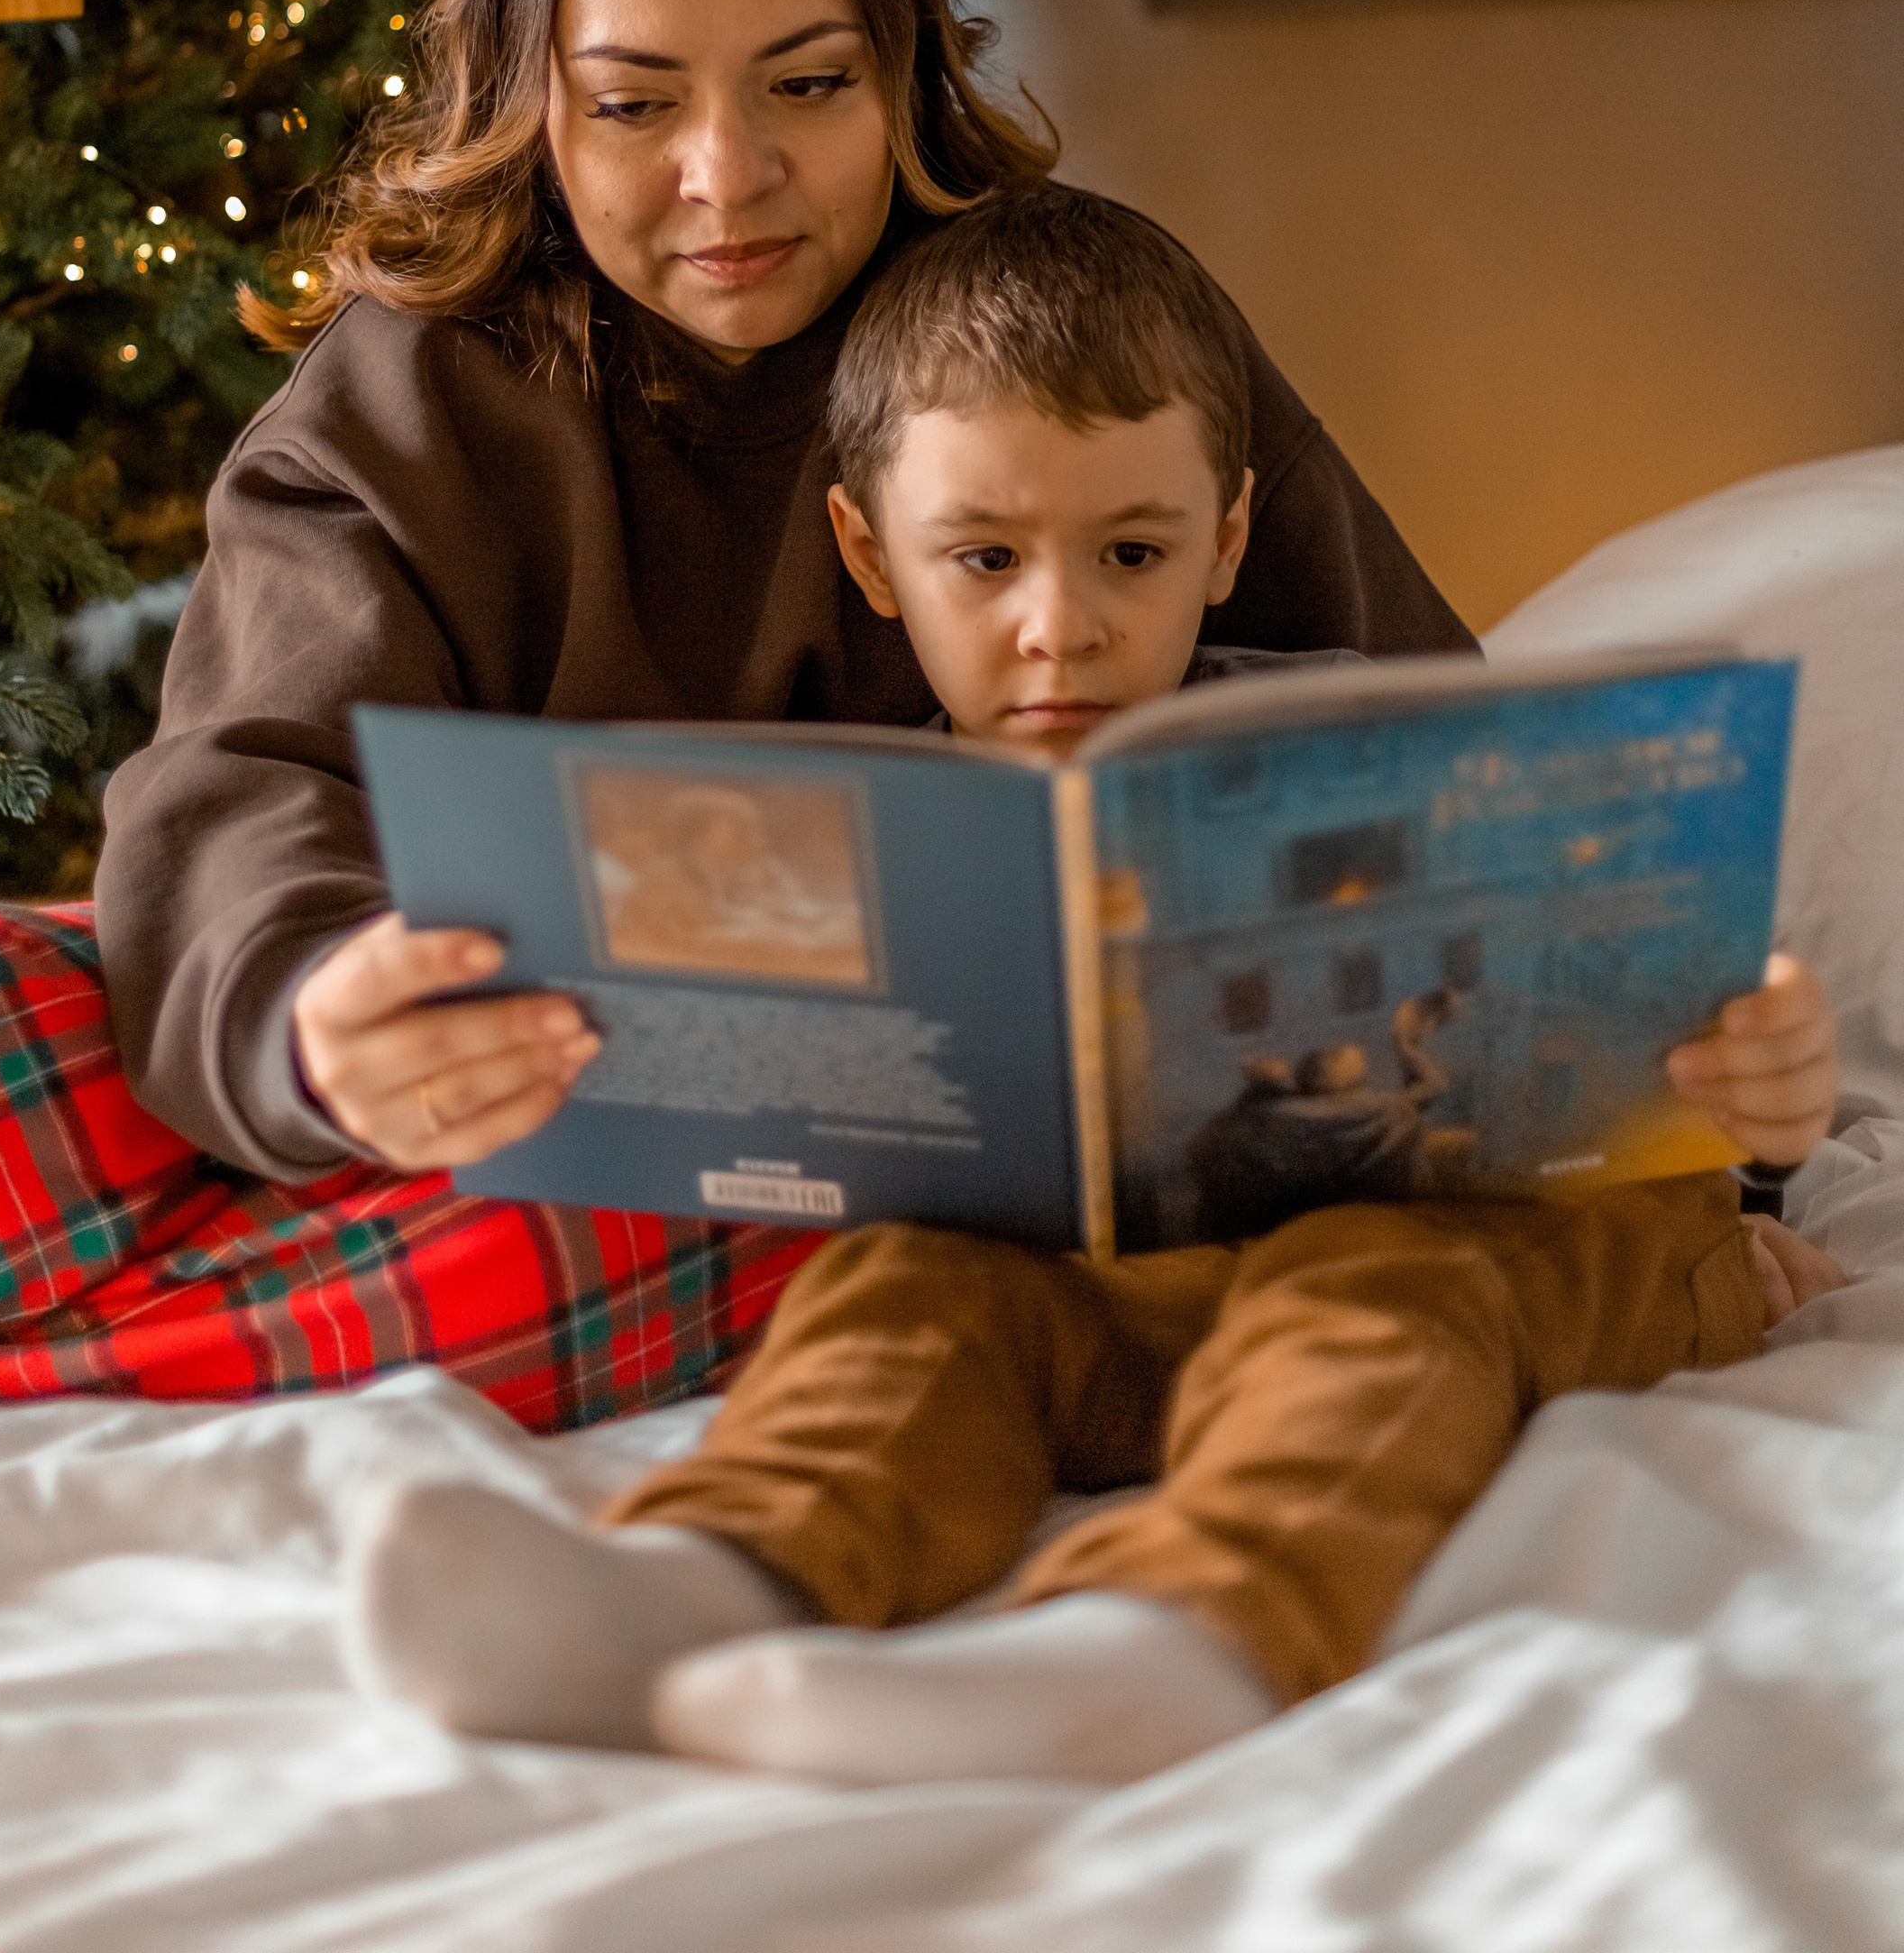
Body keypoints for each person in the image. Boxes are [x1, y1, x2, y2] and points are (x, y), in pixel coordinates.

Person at [0, 0, 1469, 1411]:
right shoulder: (418, 387)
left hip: (770, 1150)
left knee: (605, 1239)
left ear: (901, 66)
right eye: (634, 104)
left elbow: (1436, 765)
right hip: (419, 1022)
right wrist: (321, 1021)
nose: (725, 177)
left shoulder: (1070, 333)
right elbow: (240, 788)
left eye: (807, 86)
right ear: (530, 98)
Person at [346, 188, 1844, 1784]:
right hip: (1120, 1307)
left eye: (1133, 552)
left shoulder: (1379, 741)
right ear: (868, 553)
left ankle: (1176, 1642)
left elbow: (1644, 980)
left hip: (1477, 1259)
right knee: (906, 1284)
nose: (1058, 627)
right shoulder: (895, 826)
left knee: (1374, 1276)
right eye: (983, 559)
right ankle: (706, 1581)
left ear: (1230, 539)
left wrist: (1764, 1101)